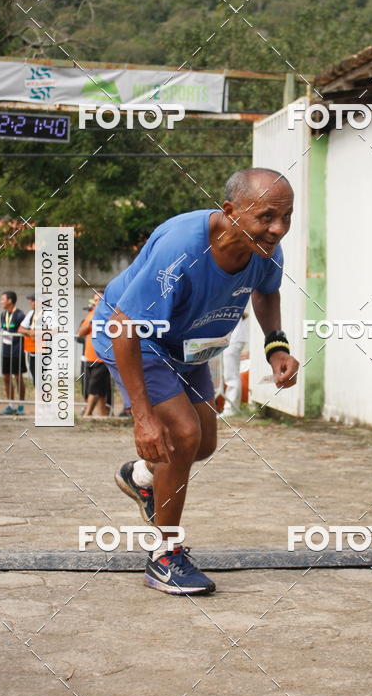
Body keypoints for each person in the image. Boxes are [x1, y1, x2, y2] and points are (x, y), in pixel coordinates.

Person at [92, 167, 299, 596]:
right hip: (137, 338)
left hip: (188, 344)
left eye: (286, 217)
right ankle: (164, 556)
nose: (278, 229)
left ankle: (142, 478)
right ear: (231, 211)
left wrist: (276, 346)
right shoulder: (182, 248)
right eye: (266, 216)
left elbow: (266, 291)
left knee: (201, 444)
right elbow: (123, 326)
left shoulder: (265, 248)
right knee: (181, 435)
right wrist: (143, 419)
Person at [78, 294, 111, 417]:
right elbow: (80, 333)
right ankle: (103, 415)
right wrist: (91, 323)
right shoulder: (91, 315)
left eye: (99, 300)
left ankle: (87, 414)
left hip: (102, 357)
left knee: (94, 387)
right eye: (95, 300)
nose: (96, 302)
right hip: (89, 357)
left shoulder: (109, 315)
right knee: (100, 390)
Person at [0, 291, 26, 415]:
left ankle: (21, 405)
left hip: (17, 351)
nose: (1, 302)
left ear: (9, 301)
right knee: (6, 378)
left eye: (3, 299)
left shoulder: (20, 315)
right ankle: (10, 405)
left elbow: (23, 331)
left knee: (18, 378)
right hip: (6, 351)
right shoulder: (3, 314)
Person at [221, 311, 249, 417]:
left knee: (231, 376)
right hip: (231, 338)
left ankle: (231, 409)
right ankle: (230, 408)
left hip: (233, 339)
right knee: (229, 374)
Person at [18, 294, 37, 383]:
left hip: (44, 352)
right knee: (35, 377)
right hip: (31, 350)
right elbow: (20, 329)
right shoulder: (31, 313)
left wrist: (38, 333)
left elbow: (55, 330)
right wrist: (29, 332)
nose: (30, 303)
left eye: (32, 301)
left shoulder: (48, 314)